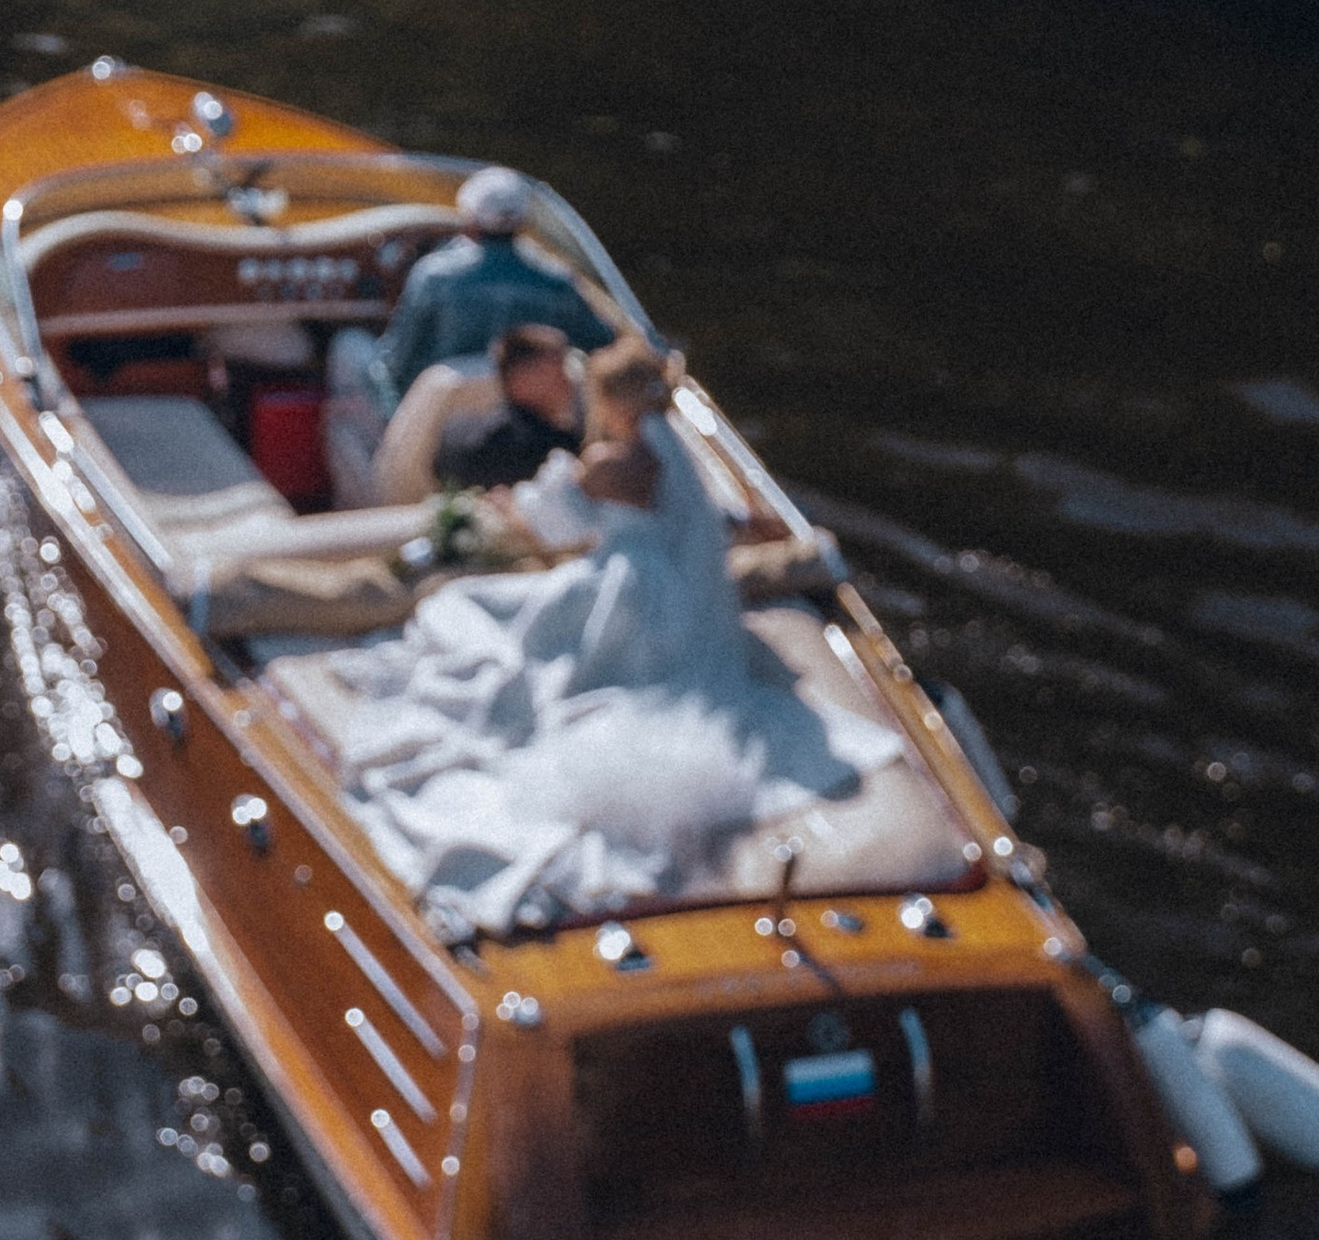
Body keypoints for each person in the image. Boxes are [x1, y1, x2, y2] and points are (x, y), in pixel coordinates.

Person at [316, 333, 901, 938]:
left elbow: (550, 520)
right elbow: (700, 524)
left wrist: (501, 511)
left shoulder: (611, 463)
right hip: (687, 601)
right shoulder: (674, 454)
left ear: (609, 398)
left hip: (627, 589)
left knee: (466, 607)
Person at [374, 167, 611, 402]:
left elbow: (396, 360)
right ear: (522, 221)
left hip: (449, 417)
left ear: (470, 219)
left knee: (350, 346)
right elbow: (602, 343)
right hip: (533, 413)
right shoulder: (557, 280)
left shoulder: (433, 276)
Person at [432, 324, 584, 495]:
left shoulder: (455, 431)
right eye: (557, 372)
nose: (568, 383)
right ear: (520, 380)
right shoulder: (554, 449)